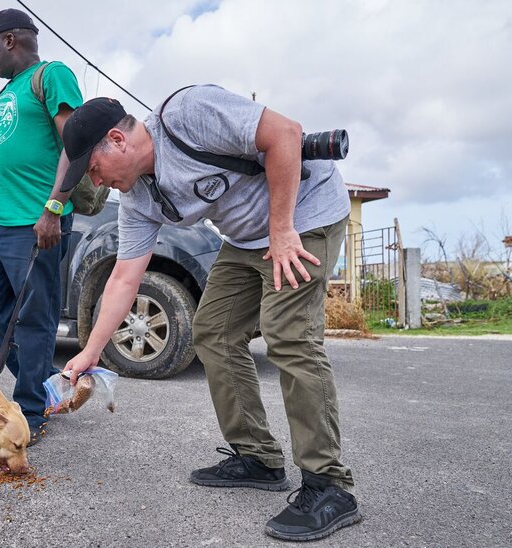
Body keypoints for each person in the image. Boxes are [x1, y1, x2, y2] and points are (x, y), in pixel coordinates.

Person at [56, 87, 360, 541]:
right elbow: (124, 278)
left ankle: (330, 485)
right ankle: (258, 457)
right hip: (248, 238)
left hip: (303, 213)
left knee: (287, 333)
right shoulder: (140, 198)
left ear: (118, 141)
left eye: (94, 169)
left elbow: (286, 134)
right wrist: (91, 352)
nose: (96, 183)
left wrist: (281, 230)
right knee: (213, 332)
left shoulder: (188, 114)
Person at [0, 8, 82, 444]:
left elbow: (77, 141)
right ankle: (43, 380)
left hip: (37, 221)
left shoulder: (51, 75)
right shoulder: (5, 93)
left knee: (34, 319)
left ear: (10, 40)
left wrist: (54, 207)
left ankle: (32, 408)